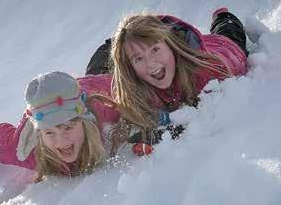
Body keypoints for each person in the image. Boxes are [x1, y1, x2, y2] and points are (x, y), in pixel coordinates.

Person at [87, 8, 248, 148]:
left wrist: (163, 132)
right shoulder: (134, 81)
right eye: (138, 59)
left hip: (224, 46)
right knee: (98, 71)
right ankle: (122, 43)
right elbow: (96, 88)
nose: (150, 64)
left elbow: (203, 119)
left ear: (170, 45)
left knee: (228, 29)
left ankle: (222, 15)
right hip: (129, 54)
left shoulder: (207, 73)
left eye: (155, 49)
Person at [0, 71, 123, 181]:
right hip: (49, 104)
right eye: (50, 132)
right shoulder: (27, 152)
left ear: (84, 122)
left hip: (97, 81)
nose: (62, 141)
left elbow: (126, 91)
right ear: (39, 134)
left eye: (68, 127)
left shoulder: (100, 110)